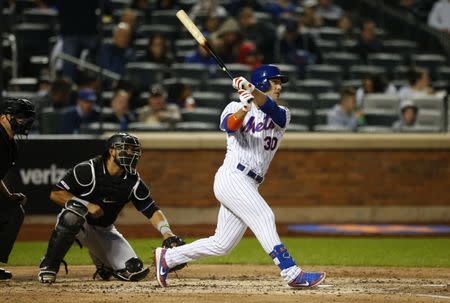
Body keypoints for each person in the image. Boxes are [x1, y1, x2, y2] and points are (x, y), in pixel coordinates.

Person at [153, 64, 326, 288]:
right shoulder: (234, 105)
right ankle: (291, 272)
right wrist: (244, 107)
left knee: (222, 244)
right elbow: (229, 126)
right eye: (275, 81)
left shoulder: (283, 113)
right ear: (264, 82)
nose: (279, 86)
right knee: (264, 216)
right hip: (233, 176)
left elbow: (271, 110)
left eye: (280, 82)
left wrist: (251, 90)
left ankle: (168, 258)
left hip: (250, 183)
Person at [38, 132, 185, 283]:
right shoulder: (88, 170)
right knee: (72, 216)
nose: (131, 153)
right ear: (111, 151)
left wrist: (167, 233)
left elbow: (151, 209)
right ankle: (49, 264)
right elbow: (56, 193)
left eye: (134, 150)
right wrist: (86, 205)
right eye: (126, 148)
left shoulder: (133, 180)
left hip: (104, 229)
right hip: (80, 224)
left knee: (133, 268)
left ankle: (103, 263)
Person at [0, 98, 35, 280]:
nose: (23, 122)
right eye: (20, 117)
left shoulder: (12, 143)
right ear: (5, 117)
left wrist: (8, 195)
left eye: (26, 118)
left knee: (14, 210)